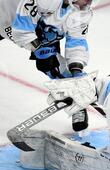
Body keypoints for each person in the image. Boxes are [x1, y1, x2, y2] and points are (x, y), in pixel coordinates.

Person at [0, 0, 93, 131]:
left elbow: (77, 42)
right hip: (6, 14)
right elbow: (21, 29)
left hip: (34, 25)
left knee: (53, 66)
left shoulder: (83, 11)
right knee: (46, 58)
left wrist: (77, 71)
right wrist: (38, 49)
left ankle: (78, 103)